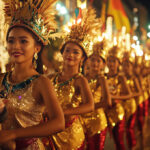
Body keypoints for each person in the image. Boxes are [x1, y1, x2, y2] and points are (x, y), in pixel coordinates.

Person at [0, 0, 65, 149]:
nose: (15, 46)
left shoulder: (41, 82)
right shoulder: (1, 78)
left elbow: (59, 122)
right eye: (11, 41)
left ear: (36, 47)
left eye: (23, 41)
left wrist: (14, 134)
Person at [47, 8, 101, 150]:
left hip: (71, 137)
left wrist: (62, 112)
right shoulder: (51, 78)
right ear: (62, 53)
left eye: (76, 52)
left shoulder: (80, 80)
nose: (70, 54)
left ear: (83, 58)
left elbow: (90, 105)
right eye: (67, 50)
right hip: (50, 132)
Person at [82, 41, 111, 150]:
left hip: (97, 121)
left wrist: (85, 107)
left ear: (103, 64)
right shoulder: (83, 78)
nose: (95, 63)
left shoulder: (101, 79)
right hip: (83, 121)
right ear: (87, 61)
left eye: (98, 61)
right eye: (92, 59)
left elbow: (107, 102)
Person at [106, 46, 132, 150]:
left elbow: (129, 95)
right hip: (106, 113)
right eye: (109, 60)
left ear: (118, 63)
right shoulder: (103, 77)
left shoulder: (121, 77)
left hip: (118, 113)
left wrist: (114, 97)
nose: (111, 63)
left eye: (113, 61)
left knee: (119, 141)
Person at [121, 51, 142, 149]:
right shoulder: (120, 78)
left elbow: (139, 92)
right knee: (124, 128)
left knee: (129, 128)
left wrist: (131, 95)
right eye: (124, 65)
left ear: (131, 67)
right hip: (122, 105)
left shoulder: (134, 78)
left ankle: (133, 145)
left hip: (132, 105)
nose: (125, 68)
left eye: (127, 65)